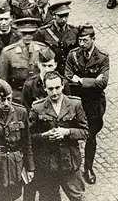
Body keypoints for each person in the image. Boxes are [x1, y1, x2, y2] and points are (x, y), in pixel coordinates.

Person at [27, 72, 87, 201]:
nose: (54, 93)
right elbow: (28, 136)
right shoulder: (37, 108)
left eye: (57, 88)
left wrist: (67, 132)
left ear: (63, 86)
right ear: (44, 88)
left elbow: (85, 132)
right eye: (50, 89)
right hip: (48, 165)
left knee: (77, 197)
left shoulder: (75, 104)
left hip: (70, 163)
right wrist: (44, 136)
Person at [63, 24, 109, 185]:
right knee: (71, 132)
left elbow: (102, 83)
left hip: (94, 104)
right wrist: (90, 81)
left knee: (91, 136)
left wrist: (80, 80)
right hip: (75, 102)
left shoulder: (102, 57)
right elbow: (68, 74)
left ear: (93, 39)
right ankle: (70, 165)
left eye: (84, 40)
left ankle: (88, 168)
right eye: (80, 40)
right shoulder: (73, 55)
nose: (81, 44)